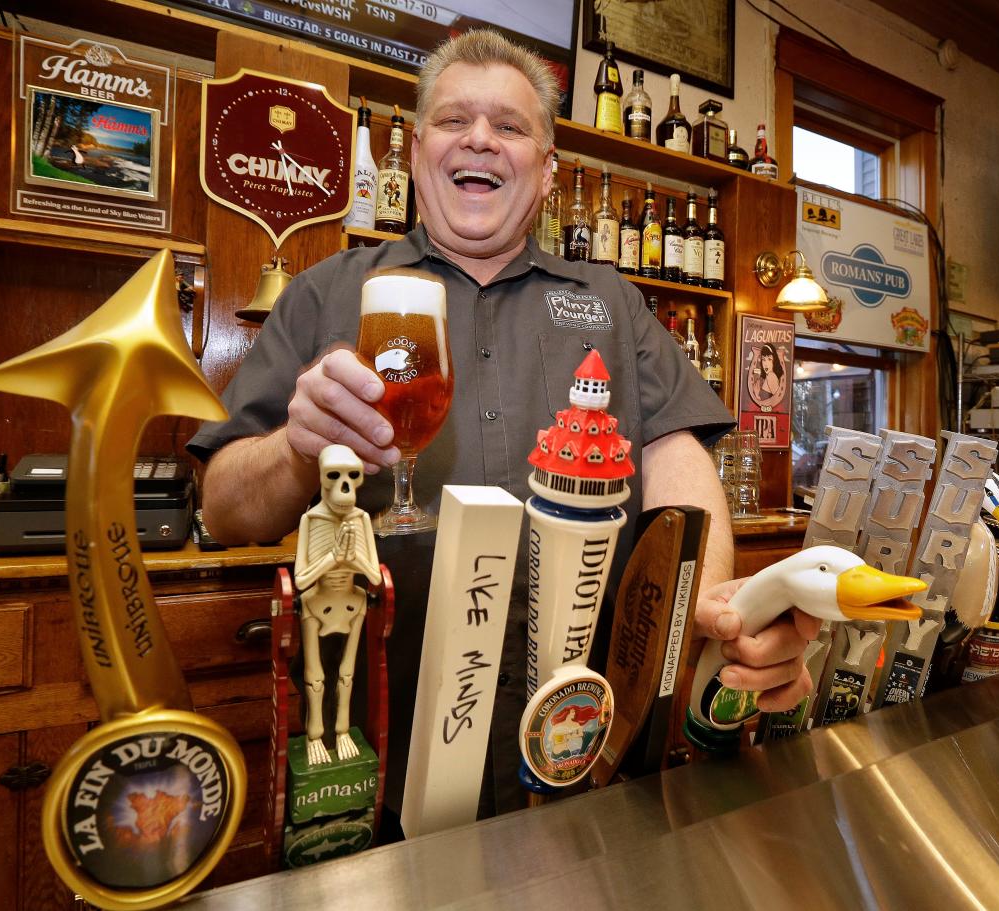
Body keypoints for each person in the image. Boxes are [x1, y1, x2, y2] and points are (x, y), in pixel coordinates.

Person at [189, 30, 816, 819]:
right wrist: (293, 449)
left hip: (580, 749)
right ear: (416, 153)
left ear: (548, 170)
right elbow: (221, 506)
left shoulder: (613, 303)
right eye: (453, 120)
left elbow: (679, 469)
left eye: (510, 127)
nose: (479, 137)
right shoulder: (325, 294)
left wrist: (710, 605)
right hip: (383, 747)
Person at [747, 343, 786, 412]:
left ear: (774, 361)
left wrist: (756, 395)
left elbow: (775, 399)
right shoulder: (768, 376)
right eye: (763, 359)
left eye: (769, 359)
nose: (765, 363)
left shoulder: (771, 376)